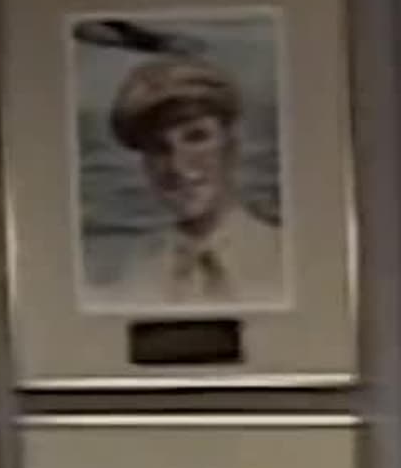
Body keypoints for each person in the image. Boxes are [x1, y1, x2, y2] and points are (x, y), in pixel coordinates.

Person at [97, 55, 285, 307]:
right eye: (159, 148)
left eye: (196, 137)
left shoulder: (287, 256)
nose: (178, 166)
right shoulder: (132, 276)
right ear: (146, 167)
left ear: (231, 147)